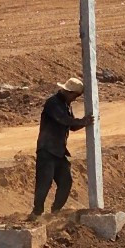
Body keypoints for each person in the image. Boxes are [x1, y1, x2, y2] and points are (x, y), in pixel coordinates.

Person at [31, 76, 93, 216]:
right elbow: (63, 120)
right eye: (75, 96)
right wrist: (83, 121)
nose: (75, 99)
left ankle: (55, 212)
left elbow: (71, 126)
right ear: (70, 93)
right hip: (47, 150)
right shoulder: (52, 103)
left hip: (58, 151)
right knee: (44, 183)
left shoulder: (65, 105)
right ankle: (36, 213)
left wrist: (84, 123)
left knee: (66, 182)